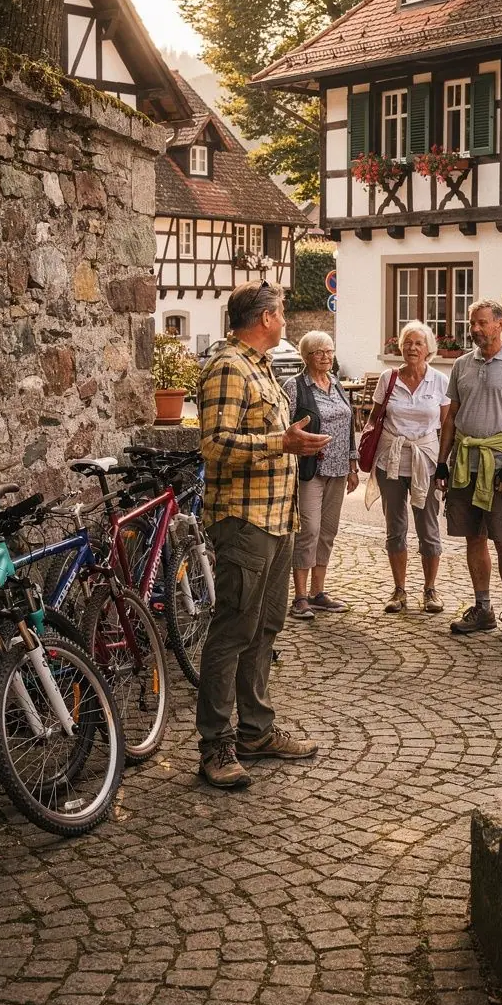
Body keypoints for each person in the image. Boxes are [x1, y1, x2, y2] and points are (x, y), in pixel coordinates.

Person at [195, 282, 330, 788]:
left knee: (265, 627)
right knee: (232, 631)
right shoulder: (228, 366)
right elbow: (213, 444)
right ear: (266, 317)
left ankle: (254, 731)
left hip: (277, 520)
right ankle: (215, 745)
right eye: (282, 312)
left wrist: (295, 442)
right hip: (244, 521)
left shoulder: (262, 365)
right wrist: (282, 441)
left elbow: (270, 439)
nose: (286, 319)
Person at [436, 299, 502, 640]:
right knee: (473, 537)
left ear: (499, 325)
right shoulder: (462, 365)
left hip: (499, 467)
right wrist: (441, 463)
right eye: (472, 323)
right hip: (465, 464)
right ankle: (483, 608)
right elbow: (451, 417)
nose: (475, 329)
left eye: (481, 323)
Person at [364, 320, 450, 613]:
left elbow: (447, 425)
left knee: (428, 527)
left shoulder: (439, 380)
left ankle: (430, 590)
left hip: (424, 460)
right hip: (391, 461)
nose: (412, 347)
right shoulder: (388, 379)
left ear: (429, 349)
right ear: (400, 346)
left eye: (419, 343)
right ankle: (399, 591)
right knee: (395, 527)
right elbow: (374, 419)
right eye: (408, 342)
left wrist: (443, 465)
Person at [285, 331, 358, 620]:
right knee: (309, 530)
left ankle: (318, 593)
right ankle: (300, 597)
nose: (326, 357)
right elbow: (286, 428)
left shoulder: (337, 383)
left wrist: (353, 465)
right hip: (310, 469)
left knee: (328, 532)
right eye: (319, 352)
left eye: (329, 351)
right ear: (306, 356)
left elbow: (349, 424)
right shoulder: (295, 387)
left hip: (339, 469)